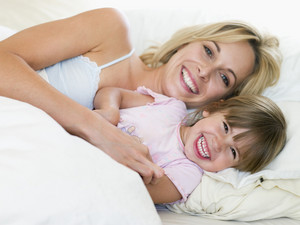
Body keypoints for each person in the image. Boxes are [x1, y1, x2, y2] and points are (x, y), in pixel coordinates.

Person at [0, 8, 282, 184]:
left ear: (223, 101)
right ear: (188, 41)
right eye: (208, 51)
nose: (205, 71)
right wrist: (93, 126)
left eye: (224, 77)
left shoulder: (177, 154)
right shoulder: (111, 30)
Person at [94, 86, 287, 204]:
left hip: (92, 170)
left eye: (233, 151)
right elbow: (113, 92)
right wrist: (110, 111)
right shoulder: (171, 107)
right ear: (212, 109)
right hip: (75, 129)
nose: (218, 144)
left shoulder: (188, 174)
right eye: (225, 127)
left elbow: (137, 191)